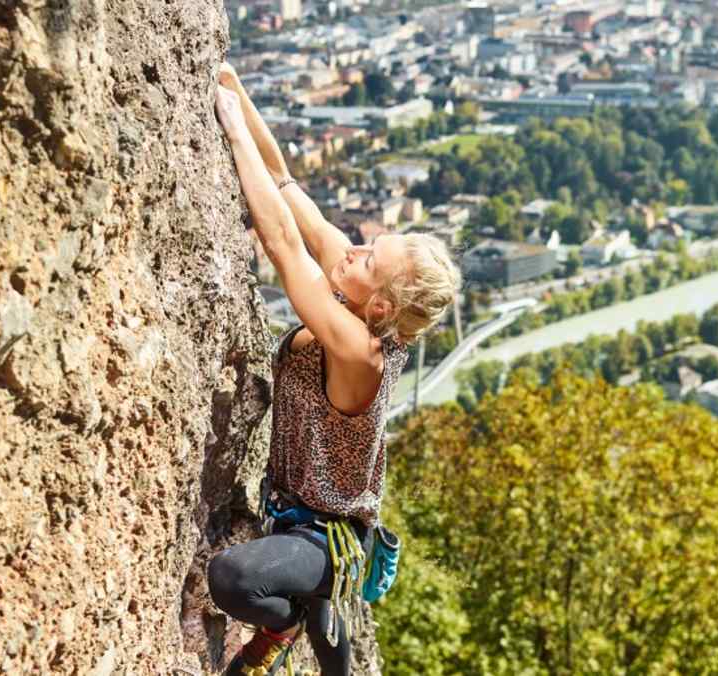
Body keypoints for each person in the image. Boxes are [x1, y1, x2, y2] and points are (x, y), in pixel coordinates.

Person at [207, 64, 462, 676]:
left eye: (368, 256)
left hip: (322, 540)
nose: (352, 245)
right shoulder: (356, 301)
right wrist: (236, 88)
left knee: (233, 578)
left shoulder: (357, 348)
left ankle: (287, 622)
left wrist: (232, 127)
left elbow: (282, 245)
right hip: (307, 520)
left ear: (379, 306)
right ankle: (319, 619)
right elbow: (285, 183)